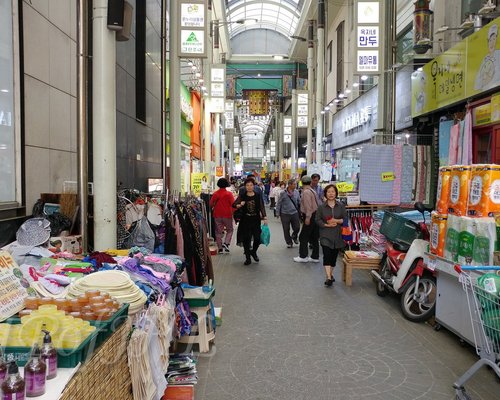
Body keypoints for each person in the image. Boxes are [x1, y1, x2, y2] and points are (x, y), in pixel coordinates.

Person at [315, 184, 347, 286]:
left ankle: (330, 274)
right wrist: (326, 225)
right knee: (327, 255)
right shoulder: (321, 207)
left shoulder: (341, 206)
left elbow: (345, 220)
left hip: (338, 235)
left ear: (336, 193)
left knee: (333, 257)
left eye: (333, 191)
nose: (331, 194)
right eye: (328, 192)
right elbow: (317, 220)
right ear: (325, 194)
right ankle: (328, 277)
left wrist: (336, 221)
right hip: (325, 234)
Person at [233, 178, 268, 265]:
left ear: (254, 186)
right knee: (246, 239)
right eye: (247, 185)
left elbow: (261, 206)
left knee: (257, 238)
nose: (249, 187)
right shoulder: (242, 195)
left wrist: (265, 217)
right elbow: (234, 204)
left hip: (255, 219)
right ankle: (247, 257)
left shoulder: (257, 195)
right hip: (245, 220)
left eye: (251, 185)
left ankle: (253, 252)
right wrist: (239, 204)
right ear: (245, 186)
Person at [294, 176, 320, 263]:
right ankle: (315, 256)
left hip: (310, 215)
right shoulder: (312, 190)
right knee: (314, 237)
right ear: (310, 182)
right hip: (315, 215)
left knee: (303, 236)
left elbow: (308, 206)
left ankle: (303, 256)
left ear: (301, 182)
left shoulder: (306, 192)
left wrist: (308, 217)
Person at [209, 178, 235, 254]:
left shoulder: (215, 194)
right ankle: (226, 243)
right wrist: (234, 213)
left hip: (217, 215)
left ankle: (220, 249)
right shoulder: (229, 194)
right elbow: (233, 204)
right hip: (227, 214)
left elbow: (210, 204)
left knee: (218, 232)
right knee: (230, 230)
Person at [276, 179, 301, 248]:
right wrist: (277, 213)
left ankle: (294, 236)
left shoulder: (297, 192)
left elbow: (299, 202)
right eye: (294, 184)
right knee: (286, 229)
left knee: (297, 227)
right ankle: (289, 242)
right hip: (285, 214)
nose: (295, 186)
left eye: (295, 184)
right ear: (289, 185)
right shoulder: (283, 193)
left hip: (294, 213)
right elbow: (279, 203)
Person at [475, 23, 500, 91]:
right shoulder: (484, 60)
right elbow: (477, 84)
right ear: (487, 41)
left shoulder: (499, 54)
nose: (492, 43)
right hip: (485, 93)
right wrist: (484, 80)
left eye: (494, 39)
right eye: (490, 40)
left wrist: (489, 77)